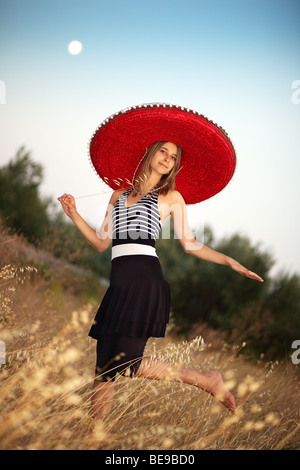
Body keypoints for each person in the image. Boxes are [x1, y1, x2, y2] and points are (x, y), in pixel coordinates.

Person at [58, 104, 263, 418]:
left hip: (144, 280)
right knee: (104, 369)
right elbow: (102, 242)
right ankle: (93, 438)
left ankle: (206, 380)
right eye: (164, 151)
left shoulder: (171, 198)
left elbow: (190, 244)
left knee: (127, 363)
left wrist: (230, 261)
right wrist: (73, 214)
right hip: (119, 284)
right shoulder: (117, 194)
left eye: (174, 157)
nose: (168, 158)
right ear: (151, 152)